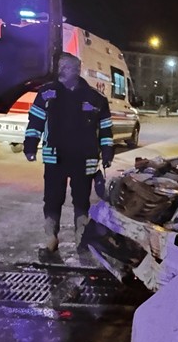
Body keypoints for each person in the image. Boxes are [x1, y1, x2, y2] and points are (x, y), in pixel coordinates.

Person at [22, 52, 114, 258]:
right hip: (55, 157)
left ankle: (81, 237)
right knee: (52, 199)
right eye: (61, 66)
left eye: (68, 67)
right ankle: (51, 238)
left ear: (78, 70)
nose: (62, 70)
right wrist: (30, 145)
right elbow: (35, 121)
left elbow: (106, 129)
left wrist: (107, 151)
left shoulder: (95, 98)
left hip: (85, 159)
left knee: (81, 200)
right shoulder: (47, 93)